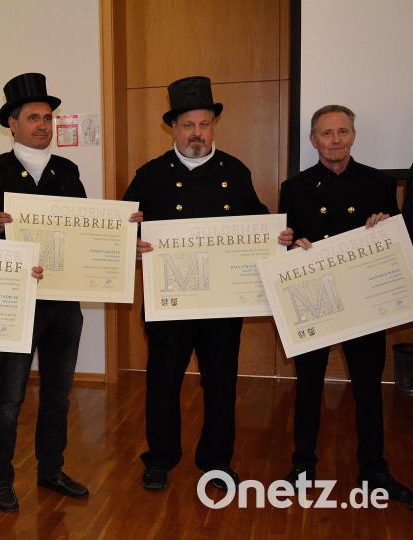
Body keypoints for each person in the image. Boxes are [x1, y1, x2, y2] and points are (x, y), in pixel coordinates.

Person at [123, 75, 292, 492]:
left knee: (221, 383)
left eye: (204, 124)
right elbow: (122, 228)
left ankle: (216, 461)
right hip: (170, 303)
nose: (196, 133)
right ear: (173, 129)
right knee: (163, 382)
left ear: (213, 126)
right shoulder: (150, 175)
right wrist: (133, 242)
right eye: (188, 125)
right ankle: (160, 458)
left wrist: (277, 237)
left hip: (221, 305)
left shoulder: (235, 171)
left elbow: (258, 221)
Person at [279, 104, 413, 506]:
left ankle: (374, 470)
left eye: (342, 132)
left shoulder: (379, 183)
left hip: (363, 304)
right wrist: (291, 242)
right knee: (308, 387)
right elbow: (287, 240)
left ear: (352, 135)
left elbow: (393, 239)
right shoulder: (295, 187)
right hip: (315, 302)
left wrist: (385, 226)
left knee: (369, 388)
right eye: (326, 133)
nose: (335, 140)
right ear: (313, 140)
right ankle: (303, 465)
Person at [0, 73, 89, 513]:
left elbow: (84, 229)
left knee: (59, 393)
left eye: (48, 117)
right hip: (15, 302)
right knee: (9, 397)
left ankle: (51, 468)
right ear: (12, 124)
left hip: (63, 303)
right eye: (34, 117)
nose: (43, 124)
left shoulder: (68, 171)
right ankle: (2, 479)